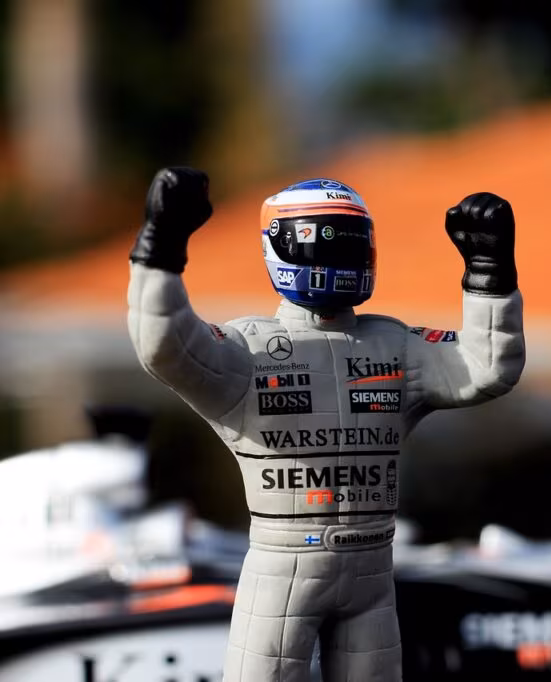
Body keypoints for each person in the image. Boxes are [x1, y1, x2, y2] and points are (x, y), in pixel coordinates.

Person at [126, 168, 525, 682]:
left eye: (354, 242)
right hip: (282, 565)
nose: (342, 255)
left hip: (372, 567)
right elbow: (165, 345)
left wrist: (490, 274)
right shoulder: (247, 350)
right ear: (281, 246)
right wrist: (160, 248)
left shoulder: (394, 343)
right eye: (327, 240)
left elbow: (488, 366)